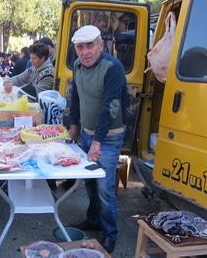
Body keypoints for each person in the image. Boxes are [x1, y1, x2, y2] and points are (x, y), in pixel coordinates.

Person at [68, 25, 128, 253]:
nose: (85, 52)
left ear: (101, 45)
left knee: (105, 188)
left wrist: (97, 142)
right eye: (80, 47)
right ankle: (94, 219)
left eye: (90, 46)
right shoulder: (77, 66)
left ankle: (110, 232)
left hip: (109, 138)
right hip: (86, 132)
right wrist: (73, 124)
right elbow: (76, 97)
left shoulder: (113, 68)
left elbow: (110, 106)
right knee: (89, 182)